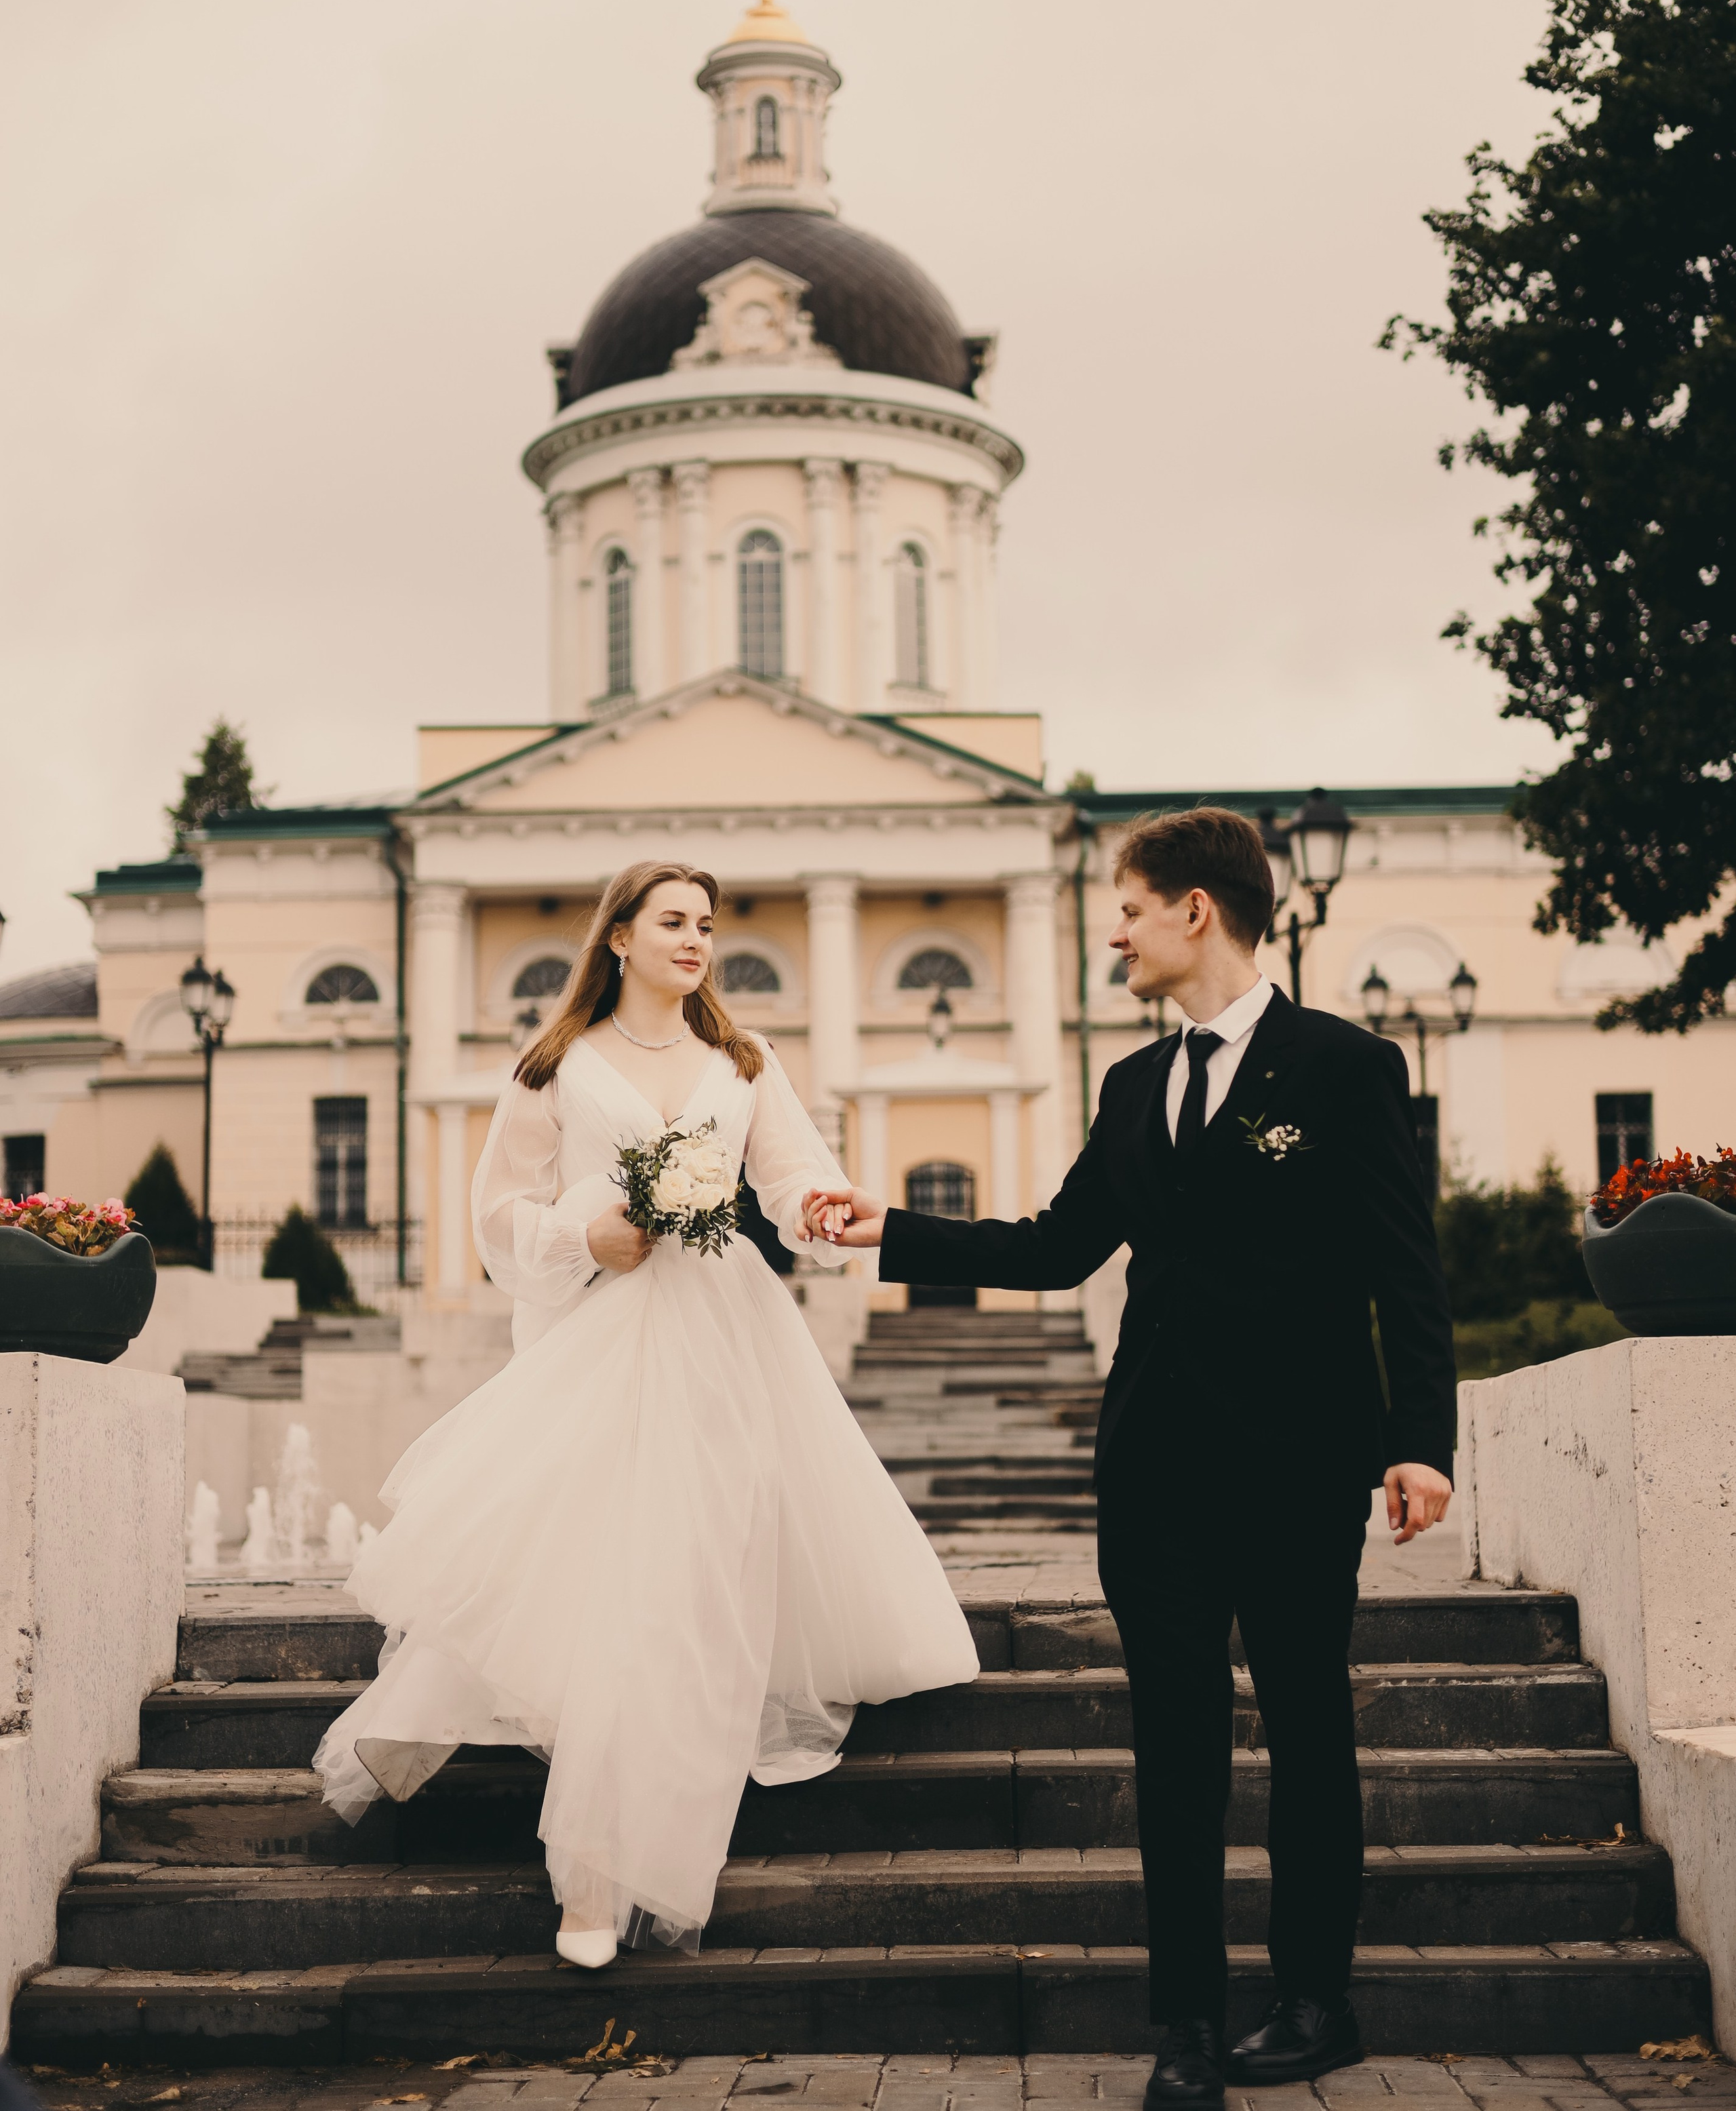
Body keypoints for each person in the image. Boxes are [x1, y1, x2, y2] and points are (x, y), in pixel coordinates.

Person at [802, 808, 1457, 2103]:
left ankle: (1318, 2001)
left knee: (1310, 1724)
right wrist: (894, 1231)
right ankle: (1190, 2031)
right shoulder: (1131, 1085)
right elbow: (1055, 1248)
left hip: (1297, 1459)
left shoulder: (1344, 1065)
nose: (1113, 931)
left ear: (1196, 911)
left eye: (1129, 908)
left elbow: (1405, 1266)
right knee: (1175, 1745)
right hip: (1155, 1469)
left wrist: (1418, 1441)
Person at [314, 860, 978, 1970]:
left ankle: (620, 1855)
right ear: (617, 935)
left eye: (707, 924)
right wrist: (589, 1238)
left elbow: (792, 1183)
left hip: (725, 1334)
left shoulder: (746, 1058)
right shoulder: (557, 1064)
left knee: (689, 1570)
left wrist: (823, 1211)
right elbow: (498, 1217)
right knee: (588, 1559)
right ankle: (584, 1871)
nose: (696, 940)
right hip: (606, 1335)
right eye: (673, 920)